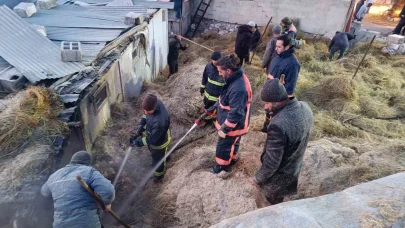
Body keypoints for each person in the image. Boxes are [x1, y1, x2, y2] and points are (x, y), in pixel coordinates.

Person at [250, 79, 313, 205]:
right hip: (294, 168)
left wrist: (257, 179)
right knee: (279, 199)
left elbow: (272, 162)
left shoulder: (278, 125)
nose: (265, 106)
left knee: (271, 203)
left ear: (278, 101)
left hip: (278, 176)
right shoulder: (305, 107)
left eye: (267, 103)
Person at [196, 54, 252, 173]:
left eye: (220, 71)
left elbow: (236, 113)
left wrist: (224, 129)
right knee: (233, 143)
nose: (219, 74)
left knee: (223, 146)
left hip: (234, 125)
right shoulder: (233, 79)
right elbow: (224, 99)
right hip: (236, 124)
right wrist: (212, 108)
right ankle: (232, 160)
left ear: (228, 70)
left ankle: (221, 168)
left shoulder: (238, 88)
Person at [41, 151, 115, 228]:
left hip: (60, 224)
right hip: (85, 223)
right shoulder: (89, 171)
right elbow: (108, 191)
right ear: (88, 162)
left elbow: (44, 192)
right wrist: (106, 203)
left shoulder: (54, 175)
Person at [130, 94, 171, 182]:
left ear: (155, 108)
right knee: (162, 153)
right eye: (144, 110)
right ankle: (166, 156)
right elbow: (146, 115)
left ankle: (159, 176)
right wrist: (141, 126)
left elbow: (152, 139)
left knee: (158, 159)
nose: (145, 113)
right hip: (159, 134)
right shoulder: (154, 103)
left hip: (160, 142)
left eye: (148, 111)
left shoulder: (160, 122)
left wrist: (138, 142)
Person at [200, 51, 224, 123]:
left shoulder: (224, 70)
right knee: (207, 109)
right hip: (207, 96)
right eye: (213, 60)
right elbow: (204, 78)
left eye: (216, 61)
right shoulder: (208, 67)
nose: (214, 62)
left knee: (215, 112)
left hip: (216, 99)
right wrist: (202, 88)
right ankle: (206, 121)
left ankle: (214, 123)